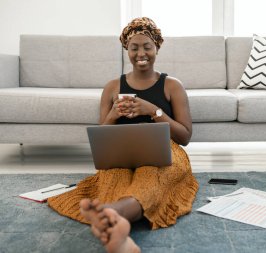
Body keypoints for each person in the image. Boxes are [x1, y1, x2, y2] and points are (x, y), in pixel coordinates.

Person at [47, 16, 199, 251]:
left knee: (151, 176)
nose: (141, 53)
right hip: (120, 152)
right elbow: (102, 136)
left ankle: (112, 214)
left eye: (147, 46)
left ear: (157, 47)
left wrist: (153, 110)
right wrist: (113, 115)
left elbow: (185, 136)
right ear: (126, 50)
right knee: (113, 176)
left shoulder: (172, 86)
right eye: (133, 47)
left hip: (164, 151)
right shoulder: (112, 87)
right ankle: (117, 226)